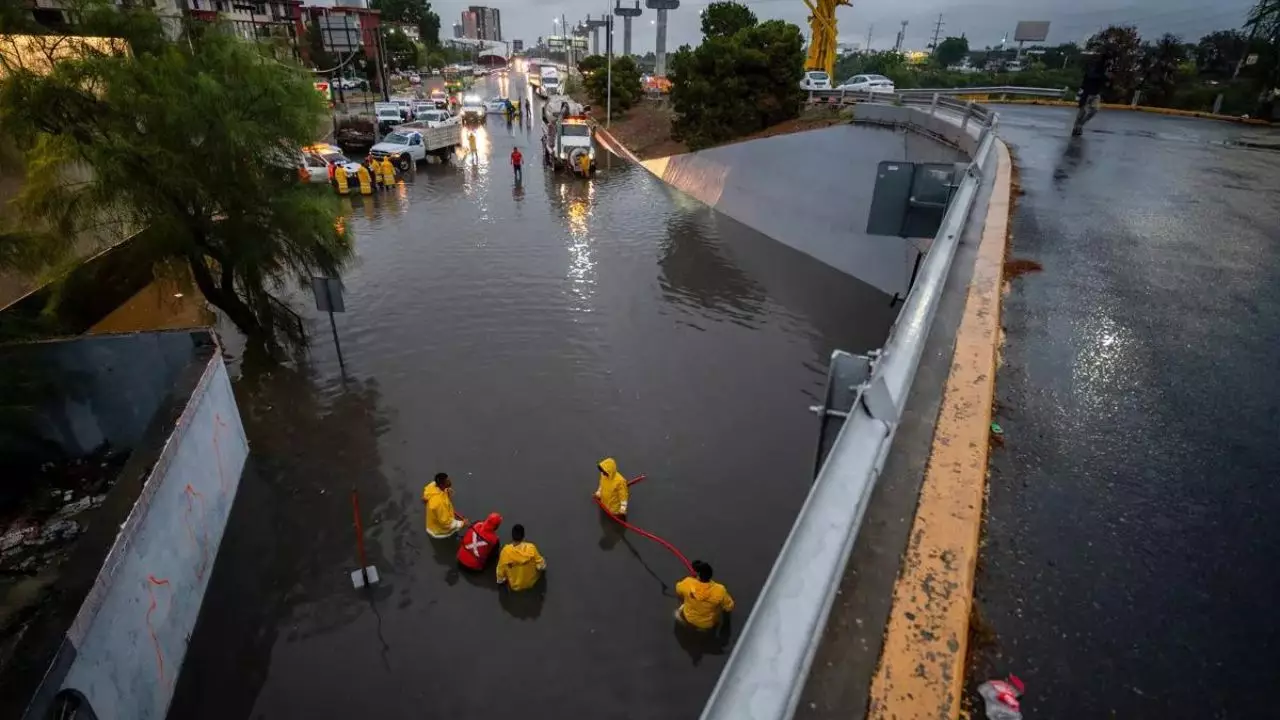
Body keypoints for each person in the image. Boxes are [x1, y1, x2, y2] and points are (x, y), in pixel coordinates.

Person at [675, 560, 735, 630]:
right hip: (708, 624)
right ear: (710, 575)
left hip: (689, 618)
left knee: (683, 604)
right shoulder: (720, 590)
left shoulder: (687, 583)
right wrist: (726, 624)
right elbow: (729, 607)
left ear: (698, 575)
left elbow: (678, 590)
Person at [496, 524, 546, 591]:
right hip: (532, 583)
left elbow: (500, 572)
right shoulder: (531, 548)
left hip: (515, 587)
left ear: (512, 536)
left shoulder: (505, 552)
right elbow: (541, 566)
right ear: (523, 536)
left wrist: (500, 580)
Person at [1073, 53, 1111, 136]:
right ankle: (1076, 127)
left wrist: (1107, 80)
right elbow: (1090, 76)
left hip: (1096, 93)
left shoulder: (1105, 70)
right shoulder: (1094, 68)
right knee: (1082, 112)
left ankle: (1080, 125)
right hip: (1087, 92)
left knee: (1095, 110)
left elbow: (1106, 83)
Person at [423, 472, 466, 538]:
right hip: (439, 532)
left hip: (433, 522)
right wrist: (462, 523)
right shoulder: (439, 503)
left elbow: (426, 494)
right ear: (441, 484)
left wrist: (446, 490)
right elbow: (446, 523)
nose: (449, 481)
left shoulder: (433, 485)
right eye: (447, 481)